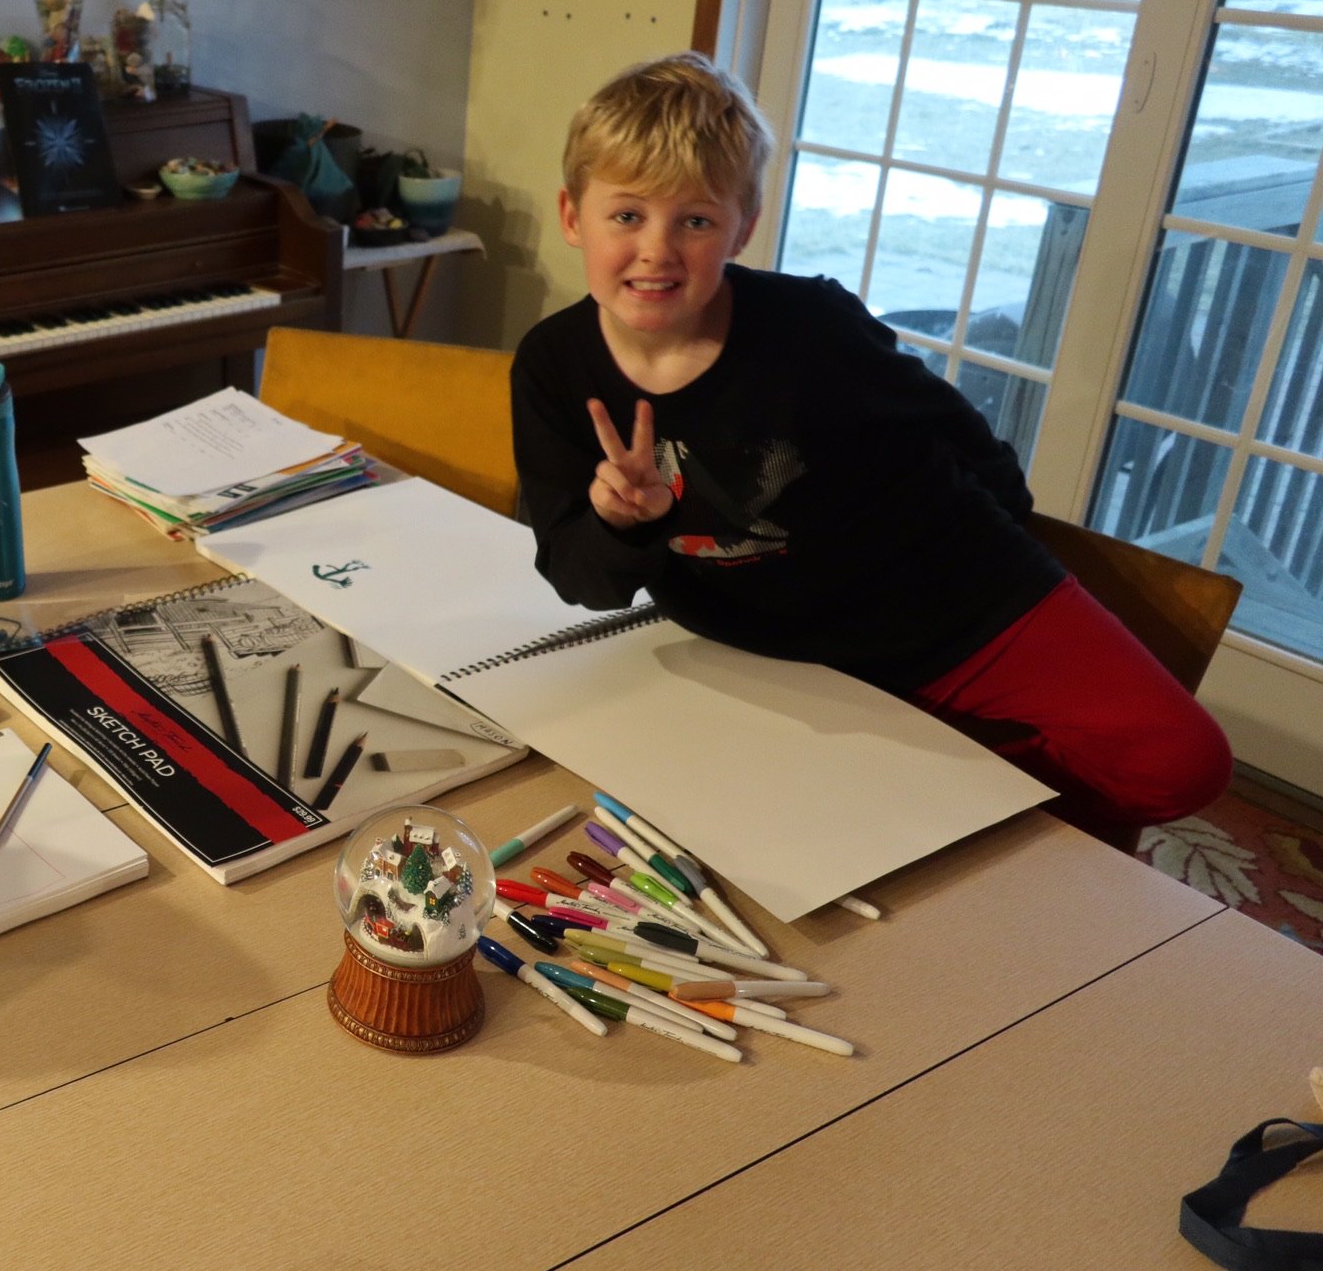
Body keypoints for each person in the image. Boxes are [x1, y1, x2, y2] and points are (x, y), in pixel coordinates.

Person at [511, 52, 1231, 840]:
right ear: (573, 217)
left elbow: (960, 436)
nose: (657, 249)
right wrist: (621, 523)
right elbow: (579, 577)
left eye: (696, 220)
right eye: (627, 216)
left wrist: (997, 552)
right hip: (767, 658)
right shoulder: (553, 365)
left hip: (954, 605)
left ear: (742, 227)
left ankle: (996, 807)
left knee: (1183, 762)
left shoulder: (812, 327)